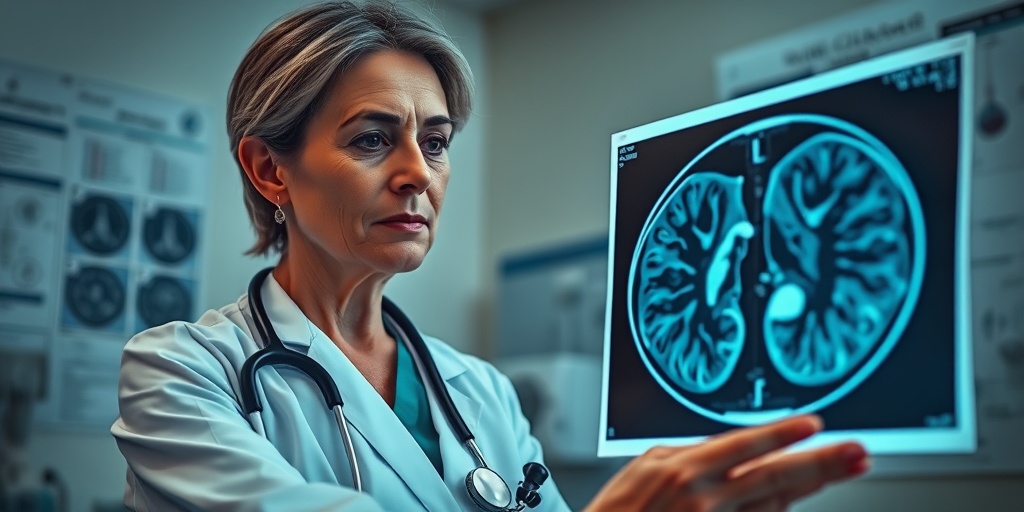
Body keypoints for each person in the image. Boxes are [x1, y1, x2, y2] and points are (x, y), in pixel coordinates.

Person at [110, 1, 871, 510]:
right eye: (373, 139)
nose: (419, 173)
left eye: (434, 142)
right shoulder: (180, 374)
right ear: (271, 169)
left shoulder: (482, 394)